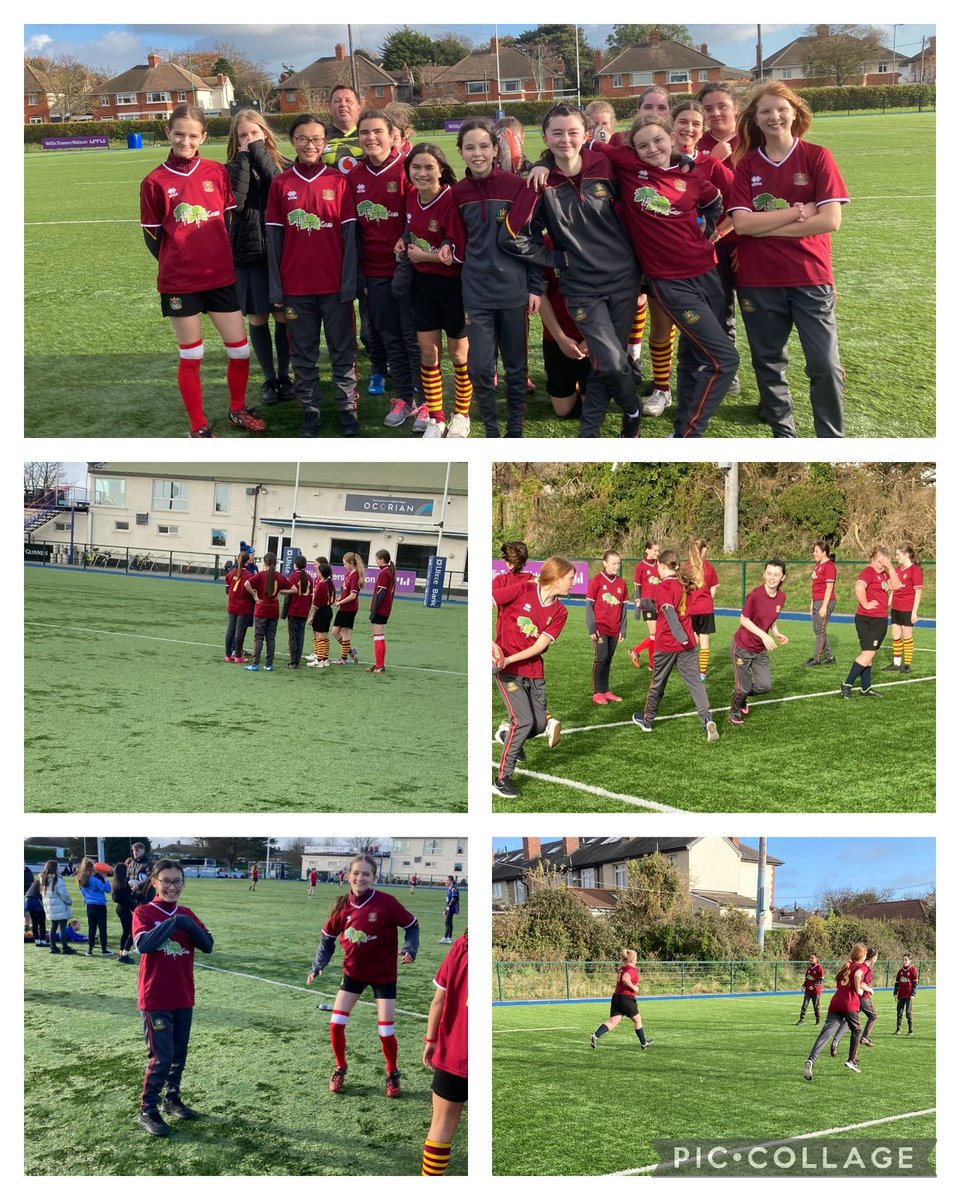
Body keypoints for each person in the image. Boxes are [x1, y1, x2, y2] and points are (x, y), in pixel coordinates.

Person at [587, 115, 737, 436]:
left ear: (671, 138)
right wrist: (542, 164)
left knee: (697, 355)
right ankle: (685, 435)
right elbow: (579, 143)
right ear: (633, 149)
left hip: (708, 273)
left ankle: (682, 416)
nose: (652, 148)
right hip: (670, 281)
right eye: (643, 144)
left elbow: (715, 202)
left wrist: (707, 232)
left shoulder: (691, 175)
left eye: (658, 141)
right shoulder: (627, 164)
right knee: (725, 360)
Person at [501, 104, 642, 438]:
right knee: (609, 360)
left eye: (573, 131)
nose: (566, 139)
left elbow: (647, 169)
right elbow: (511, 237)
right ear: (545, 137)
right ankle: (633, 410)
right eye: (557, 132)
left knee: (607, 360)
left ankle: (590, 432)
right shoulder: (539, 183)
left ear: (586, 135)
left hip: (623, 279)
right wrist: (557, 261)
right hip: (580, 287)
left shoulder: (605, 164)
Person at [728, 82, 849, 438]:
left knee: (824, 365)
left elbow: (830, 221)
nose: (773, 116)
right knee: (769, 364)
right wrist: (799, 213)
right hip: (758, 281)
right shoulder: (746, 164)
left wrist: (762, 228)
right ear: (755, 119)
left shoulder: (817, 156)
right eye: (765, 111)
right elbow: (741, 223)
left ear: (795, 112)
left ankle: (831, 438)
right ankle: (785, 436)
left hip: (811, 277)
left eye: (781, 109)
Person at [139, 103, 265, 438]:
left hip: (220, 277)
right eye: (179, 133)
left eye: (193, 135)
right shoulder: (154, 181)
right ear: (168, 133)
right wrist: (178, 259)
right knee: (192, 354)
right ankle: (198, 426)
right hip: (180, 283)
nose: (185, 140)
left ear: (203, 137)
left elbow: (224, 221)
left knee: (239, 350)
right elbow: (152, 237)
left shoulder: (216, 172)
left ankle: (237, 409)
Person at [265, 114, 360, 438]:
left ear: (325, 142)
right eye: (303, 139)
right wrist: (276, 288)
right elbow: (274, 240)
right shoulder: (281, 184)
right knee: (302, 352)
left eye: (317, 139)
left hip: (335, 288)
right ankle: (311, 410)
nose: (310, 145)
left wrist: (349, 283)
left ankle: (347, 408)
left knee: (342, 350)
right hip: (295, 291)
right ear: (292, 142)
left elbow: (349, 238)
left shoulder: (338, 181)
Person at [453, 118, 543, 437]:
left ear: (495, 150)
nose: (477, 153)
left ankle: (514, 430)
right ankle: (492, 431)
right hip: (476, 296)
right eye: (469, 147)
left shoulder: (516, 186)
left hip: (514, 293)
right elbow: (454, 240)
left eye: (483, 146)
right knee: (479, 369)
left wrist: (535, 286)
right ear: (461, 152)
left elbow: (532, 239)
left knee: (516, 369)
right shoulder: (458, 193)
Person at [307, 853, 419, 1097]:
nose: (360, 878)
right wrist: (318, 965)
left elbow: (412, 925)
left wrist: (411, 948)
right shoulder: (343, 907)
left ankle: (392, 1073)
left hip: (384, 977)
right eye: (356, 873)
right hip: (353, 975)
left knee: (385, 1032)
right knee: (336, 1025)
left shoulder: (386, 903)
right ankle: (340, 1068)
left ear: (374, 877)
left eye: (366, 874)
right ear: (348, 877)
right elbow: (327, 939)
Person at [350, 109, 422, 432]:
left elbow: (419, 216)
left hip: (408, 269)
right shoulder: (353, 176)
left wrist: (405, 242)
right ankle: (403, 396)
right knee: (390, 336)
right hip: (374, 271)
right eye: (364, 132)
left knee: (412, 337)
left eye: (377, 131)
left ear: (392, 135)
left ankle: (424, 399)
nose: (371, 138)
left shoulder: (407, 170)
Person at [132, 859, 214, 1136]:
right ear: (154, 882)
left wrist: (187, 923)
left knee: (179, 1054)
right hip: (155, 998)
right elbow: (144, 944)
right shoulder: (144, 912)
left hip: (183, 996)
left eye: (177, 881)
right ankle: (148, 1110)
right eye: (165, 880)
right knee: (161, 1058)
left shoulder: (188, 914)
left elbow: (208, 945)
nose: (172, 886)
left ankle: (172, 1098)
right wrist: (174, 922)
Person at [398, 143, 471, 437]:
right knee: (428, 355)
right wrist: (403, 241)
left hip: (453, 286)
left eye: (429, 167)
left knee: (458, 355)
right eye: (416, 167)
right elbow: (411, 228)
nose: (422, 173)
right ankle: (436, 418)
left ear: (441, 170)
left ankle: (462, 415)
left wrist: (423, 256)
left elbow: (459, 252)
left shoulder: (450, 199)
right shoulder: (411, 198)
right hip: (422, 287)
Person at [492, 556, 576, 799]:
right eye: (570, 578)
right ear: (557, 578)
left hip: (532, 670)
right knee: (524, 721)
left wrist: (509, 658)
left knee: (539, 724)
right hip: (508, 673)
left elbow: (540, 646)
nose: (573, 583)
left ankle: (508, 736)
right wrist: (490, 646)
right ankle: (501, 779)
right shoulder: (522, 589)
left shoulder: (560, 611)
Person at [224, 110, 293, 404]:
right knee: (257, 317)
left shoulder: (284, 164)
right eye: (243, 135)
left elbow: (278, 187)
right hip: (248, 251)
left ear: (265, 133)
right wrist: (243, 160)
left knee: (283, 316)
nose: (249, 139)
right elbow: (236, 202)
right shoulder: (228, 168)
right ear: (235, 140)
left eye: (254, 133)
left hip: (280, 252)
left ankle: (284, 375)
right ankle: (268, 379)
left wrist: (258, 152)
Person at [631, 550, 720, 742]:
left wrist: (679, 636)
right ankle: (707, 720)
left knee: (658, 683)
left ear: (662, 566)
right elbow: (661, 604)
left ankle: (647, 720)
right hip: (688, 643)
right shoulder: (683, 584)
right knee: (695, 683)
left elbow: (669, 612)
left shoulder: (662, 587)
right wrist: (643, 603)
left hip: (668, 643)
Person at [493, 542, 562, 753]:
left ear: (510, 561)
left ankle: (510, 733)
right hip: (512, 652)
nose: (505, 562)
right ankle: (515, 733)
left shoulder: (508, 581)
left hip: (514, 651)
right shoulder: (527, 581)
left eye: (507, 558)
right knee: (524, 717)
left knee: (527, 720)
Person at [421, 931, 468, 1176]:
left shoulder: (463, 946)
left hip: (457, 1051)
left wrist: (431, 1039)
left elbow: (438, 1000)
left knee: (442, 1125)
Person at [729, 559, 789, 727]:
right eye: (769, 573)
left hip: (759, 650)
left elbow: (771, 618)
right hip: (741, 647)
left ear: (782, 577)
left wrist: (776, 632)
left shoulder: (781, 597)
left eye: (776, 575)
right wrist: (764, 635)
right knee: (744, 687)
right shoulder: (755, 595)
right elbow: (744, 619)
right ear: (764, 574)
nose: (772, 578)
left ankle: (742, 696)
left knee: (765, 686)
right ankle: (734, 710)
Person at [841, 546, 901, 699]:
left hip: (879, 618)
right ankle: (847, 684)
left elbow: (896, 586)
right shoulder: (869, 572)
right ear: (872, 559)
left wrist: (890, 567)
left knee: (868, 654)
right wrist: (866, 603)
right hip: (869, 619)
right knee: (868, 653)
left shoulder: (884, 574)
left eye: (884, 562)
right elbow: (859, 586)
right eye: (878, 561)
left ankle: (865, 688)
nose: (881, 565)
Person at [803, 943, 868, 1079]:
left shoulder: (846, 966)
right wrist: (860, 990)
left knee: (825, 1033)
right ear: (862, 956)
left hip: (836, 1003)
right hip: (850, 1004)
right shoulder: (859, 967)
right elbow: (858, 975)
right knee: (856, 1030)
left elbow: (839, 982)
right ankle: (852, 1060)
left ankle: (811, 1059)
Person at [586, 550, 628, 705]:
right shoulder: (596, 581)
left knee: (608, 659)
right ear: (605, 563)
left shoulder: (621, 583)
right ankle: (597, 692)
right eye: (614, 563)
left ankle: (606, 690)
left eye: (618, 563)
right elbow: (589, 605)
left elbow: (624, 608)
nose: (617, 566)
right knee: (601, 658)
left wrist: (623, 628)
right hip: (600, 628)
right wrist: (592, 627)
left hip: (615, 629)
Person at [590, 949, 653, 1051]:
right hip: (626, 998)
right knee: (637, 1020)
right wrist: (634, 987)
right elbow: (625, 979)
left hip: (617, 997)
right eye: (636, 958)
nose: (637, 960)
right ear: (632, 959)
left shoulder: (622, 968)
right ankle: (644, 1043)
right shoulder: (631, 970)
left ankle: (596, 1035)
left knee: (613, 1021)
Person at [243, 552, 291, 672]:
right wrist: (280, 591)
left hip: (261, 609)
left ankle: (255, 664)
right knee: (271, 638)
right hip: (273, 610)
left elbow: (246, 584)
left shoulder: (261, 575)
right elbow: (294, 589)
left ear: (265, 562)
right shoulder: (279, 576)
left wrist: (255, 595)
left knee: (258, 637)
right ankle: (269, 664)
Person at [684, 537, 719, 680]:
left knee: (693, 639)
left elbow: (682, 589)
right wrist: (706, 599)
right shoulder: (709, 568)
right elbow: (713, 588)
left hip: (690, 609)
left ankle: (690, 668)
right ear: (703, 549)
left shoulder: (685, 567)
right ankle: (702, 673)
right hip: (705, 609)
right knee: (704, 641)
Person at [885, 544, 923, 673]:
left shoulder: (915, 570)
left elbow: (918, 592)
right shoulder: (897, 570)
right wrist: (889, 601)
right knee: (895, 635)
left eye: (898, 555)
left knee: (907, 636)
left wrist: (914, 612)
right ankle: (896, 664)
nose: (896, 557)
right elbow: (894, 589)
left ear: (906, 555)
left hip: (907, 608)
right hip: (896, 607)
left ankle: (907, 665)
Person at [832, 947, 878, 1051]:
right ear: (873, 958)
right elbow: (862, 983)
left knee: (848, 1020)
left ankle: (836, 1040)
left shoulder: (857, 965)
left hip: (853, 998)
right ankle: (865, 1038)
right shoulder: (866, 969)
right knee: (873, 1016)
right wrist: (869, 989)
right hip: (862, 998)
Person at [806, 538, 838, 666]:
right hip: (817, 601)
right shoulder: (818, 566)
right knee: (818, 629)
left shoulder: (829, 566)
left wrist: (824, 606)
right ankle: (829, 657)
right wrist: (812, 604)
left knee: (820, 630)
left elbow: (829, 587)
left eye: (816, 551)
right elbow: (814, 586)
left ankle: (816, 658)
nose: (814, 553)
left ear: (824, 552)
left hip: (825, 601)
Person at [631, 540, 661, 670]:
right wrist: (637, 604)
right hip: (647, 603)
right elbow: (637, 587)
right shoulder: (640, 567)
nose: (657, 553)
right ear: (647, 550)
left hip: (659, 603)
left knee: (659, 634)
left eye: (658, 550)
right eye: (654, 550)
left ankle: (636, 650)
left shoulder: (659, 565)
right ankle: (652, 664)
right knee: (654, 633)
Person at [332, 552, 364, 666]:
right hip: (344, 607)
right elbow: (345, 591)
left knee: (344, 632)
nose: (344, 566)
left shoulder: (355, 576)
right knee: (335, 632)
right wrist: (339, 598)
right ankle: (350, 651)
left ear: (351, 563)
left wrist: (340, 602)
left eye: (345, 564)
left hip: (349, 608)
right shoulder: (348, 574)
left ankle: (344, 658)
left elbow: (353, 595)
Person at [367, 549, 396, 674]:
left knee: (377, 636)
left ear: (382, 560)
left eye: (377, 559)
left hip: (381, 609)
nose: (376, 561)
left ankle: (379, 666)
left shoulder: (385, 573)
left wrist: (374, 609)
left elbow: (381, 593)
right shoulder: (388, 572)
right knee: (380, 636)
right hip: (385, 609)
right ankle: (379, 664)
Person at [224, 550, 255, 663]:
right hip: (243, 606)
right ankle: (238, 655)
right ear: (247, 562)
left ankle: (228, 655)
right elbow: (251, 593)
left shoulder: (231, 573)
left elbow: (227, 590)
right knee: (239, 631)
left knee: (230, 629)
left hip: (232, 605)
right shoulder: (249, 575)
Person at [78, 857, 113, 956]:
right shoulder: (94, 880)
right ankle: (104, 950)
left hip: (90, 905)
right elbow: (107, 889)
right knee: (102, 928)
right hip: (100, 906)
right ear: (91, 868)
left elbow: (82, 892)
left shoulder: (81, 879)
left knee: (91, 928)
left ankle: (90, 949)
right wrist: (105, 878)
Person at [307, 560, 336, 668]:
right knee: (325, 636)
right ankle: (325, 659)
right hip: (328, 610)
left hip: (321, 611)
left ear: (321, 572)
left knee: (319, 636)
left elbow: (316, 604)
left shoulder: (321, 584)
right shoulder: (330, 583)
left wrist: (311, 617)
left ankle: (318, 660)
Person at [285, 555, 313, 668]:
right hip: (304, 610)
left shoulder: (292, 577)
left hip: (293, 610)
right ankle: (297, 661)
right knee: (300, 636)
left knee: (292, 636)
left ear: (295, 564)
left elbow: (289, 595)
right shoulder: (309, 578)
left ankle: (293, 661)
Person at [39, 861, 73, 953]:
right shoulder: (58, 880)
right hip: (60, 907)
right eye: (58, 867)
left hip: (50, 908)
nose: (60, 868)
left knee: (53, 927)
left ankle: (53, 947)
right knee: (62, 927)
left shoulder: (43, 880)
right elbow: (64, 894)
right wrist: (69, 902)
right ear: (54, 868)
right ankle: (65, 947)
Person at [112, 861, 137, 965]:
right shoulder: (123, 884)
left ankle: (121, 952)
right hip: (125, 909)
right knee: (133, 933)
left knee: (126, 932)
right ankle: (124, 954)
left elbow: (117, 898)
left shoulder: (117, 883)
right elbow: (127, 898)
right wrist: (135, 905)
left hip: (120, 909)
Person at [795, 954, 824, 1025]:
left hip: (815, 991)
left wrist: (814, 986)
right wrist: (804, 985)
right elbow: (807, 979)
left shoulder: (819, 967)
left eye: (812, 958)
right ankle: (801, 1020)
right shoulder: (809, 968)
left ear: (816, 959)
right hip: (808, 991)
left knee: (816, 1006)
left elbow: (821, 979)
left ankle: (818, 1020)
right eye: (810, 958)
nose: (811, 959)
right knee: (804, 1005)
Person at [893, 954, 918, 1034]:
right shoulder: (900, 971)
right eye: (903, 960)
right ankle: (898, 1030)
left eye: (906, 960)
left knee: (908, 1013)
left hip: (908, 995)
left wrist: (913, 994)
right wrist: (895, 992)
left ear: (910, 960)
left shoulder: (913, 970)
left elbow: (915, 984)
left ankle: (911, 1030)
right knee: (899, 1013)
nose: (904, 961)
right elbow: (897, 983)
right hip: (901, 994)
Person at [24, 874, 48, 947]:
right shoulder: (44, 885)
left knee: (34, 922)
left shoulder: (35, 882)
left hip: (28, 901)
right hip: (37, 902)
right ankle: (43, 941)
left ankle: (37, 941)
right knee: (41, 923)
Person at [440, 876, 460, 944]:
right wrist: (445, 910)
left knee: (447, 922)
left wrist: (449, 906)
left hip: (452, 907)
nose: (446, 881)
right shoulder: (449, 888)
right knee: (449, 922)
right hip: (449, 907)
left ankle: (445, 938)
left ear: (451, 881)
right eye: (445, 880)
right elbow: (448, 900)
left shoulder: (453, 888)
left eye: (447, 880)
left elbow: (455, 898)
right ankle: (449, 938)